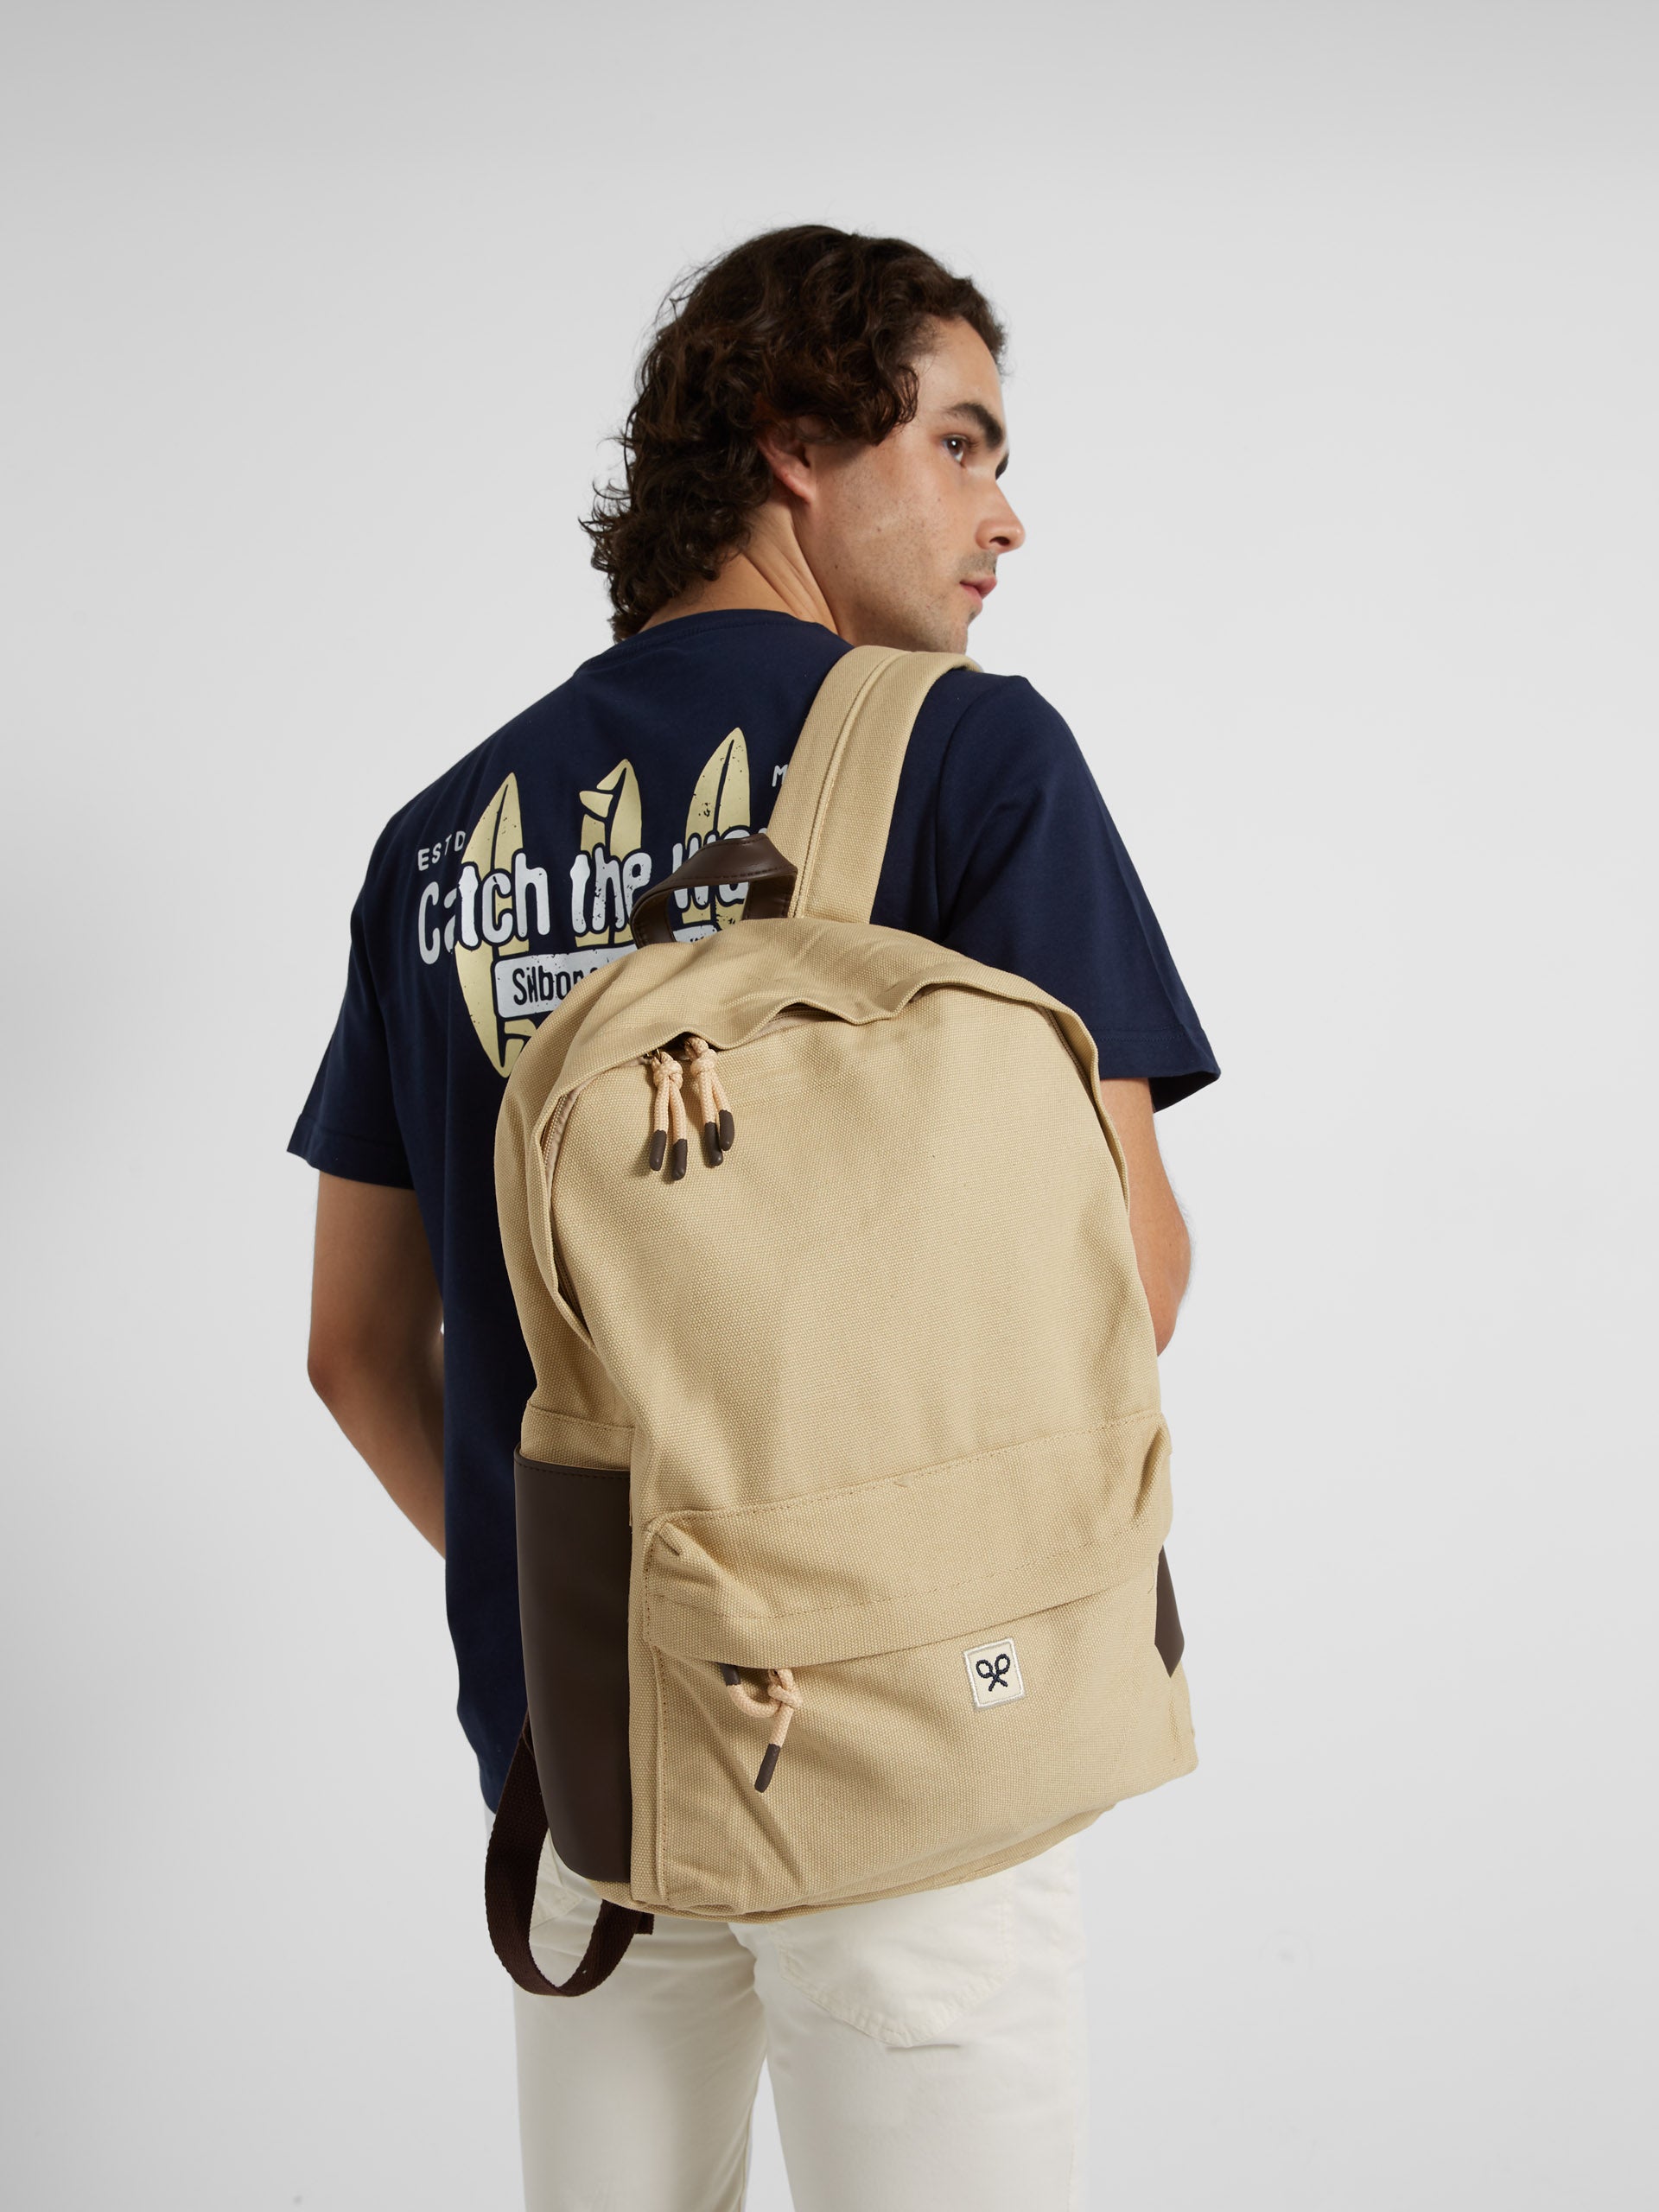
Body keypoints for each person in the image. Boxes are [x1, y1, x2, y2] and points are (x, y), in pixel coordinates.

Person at [293, 224, 1218, 2211]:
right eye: (960, 444)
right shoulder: (969, 756)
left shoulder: (438, 844)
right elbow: (1129, 1275)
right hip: (898, 1748)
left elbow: (355, 1349)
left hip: (585, 1772)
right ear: (799, 438)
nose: (1006, 515)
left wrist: (630, 1599)